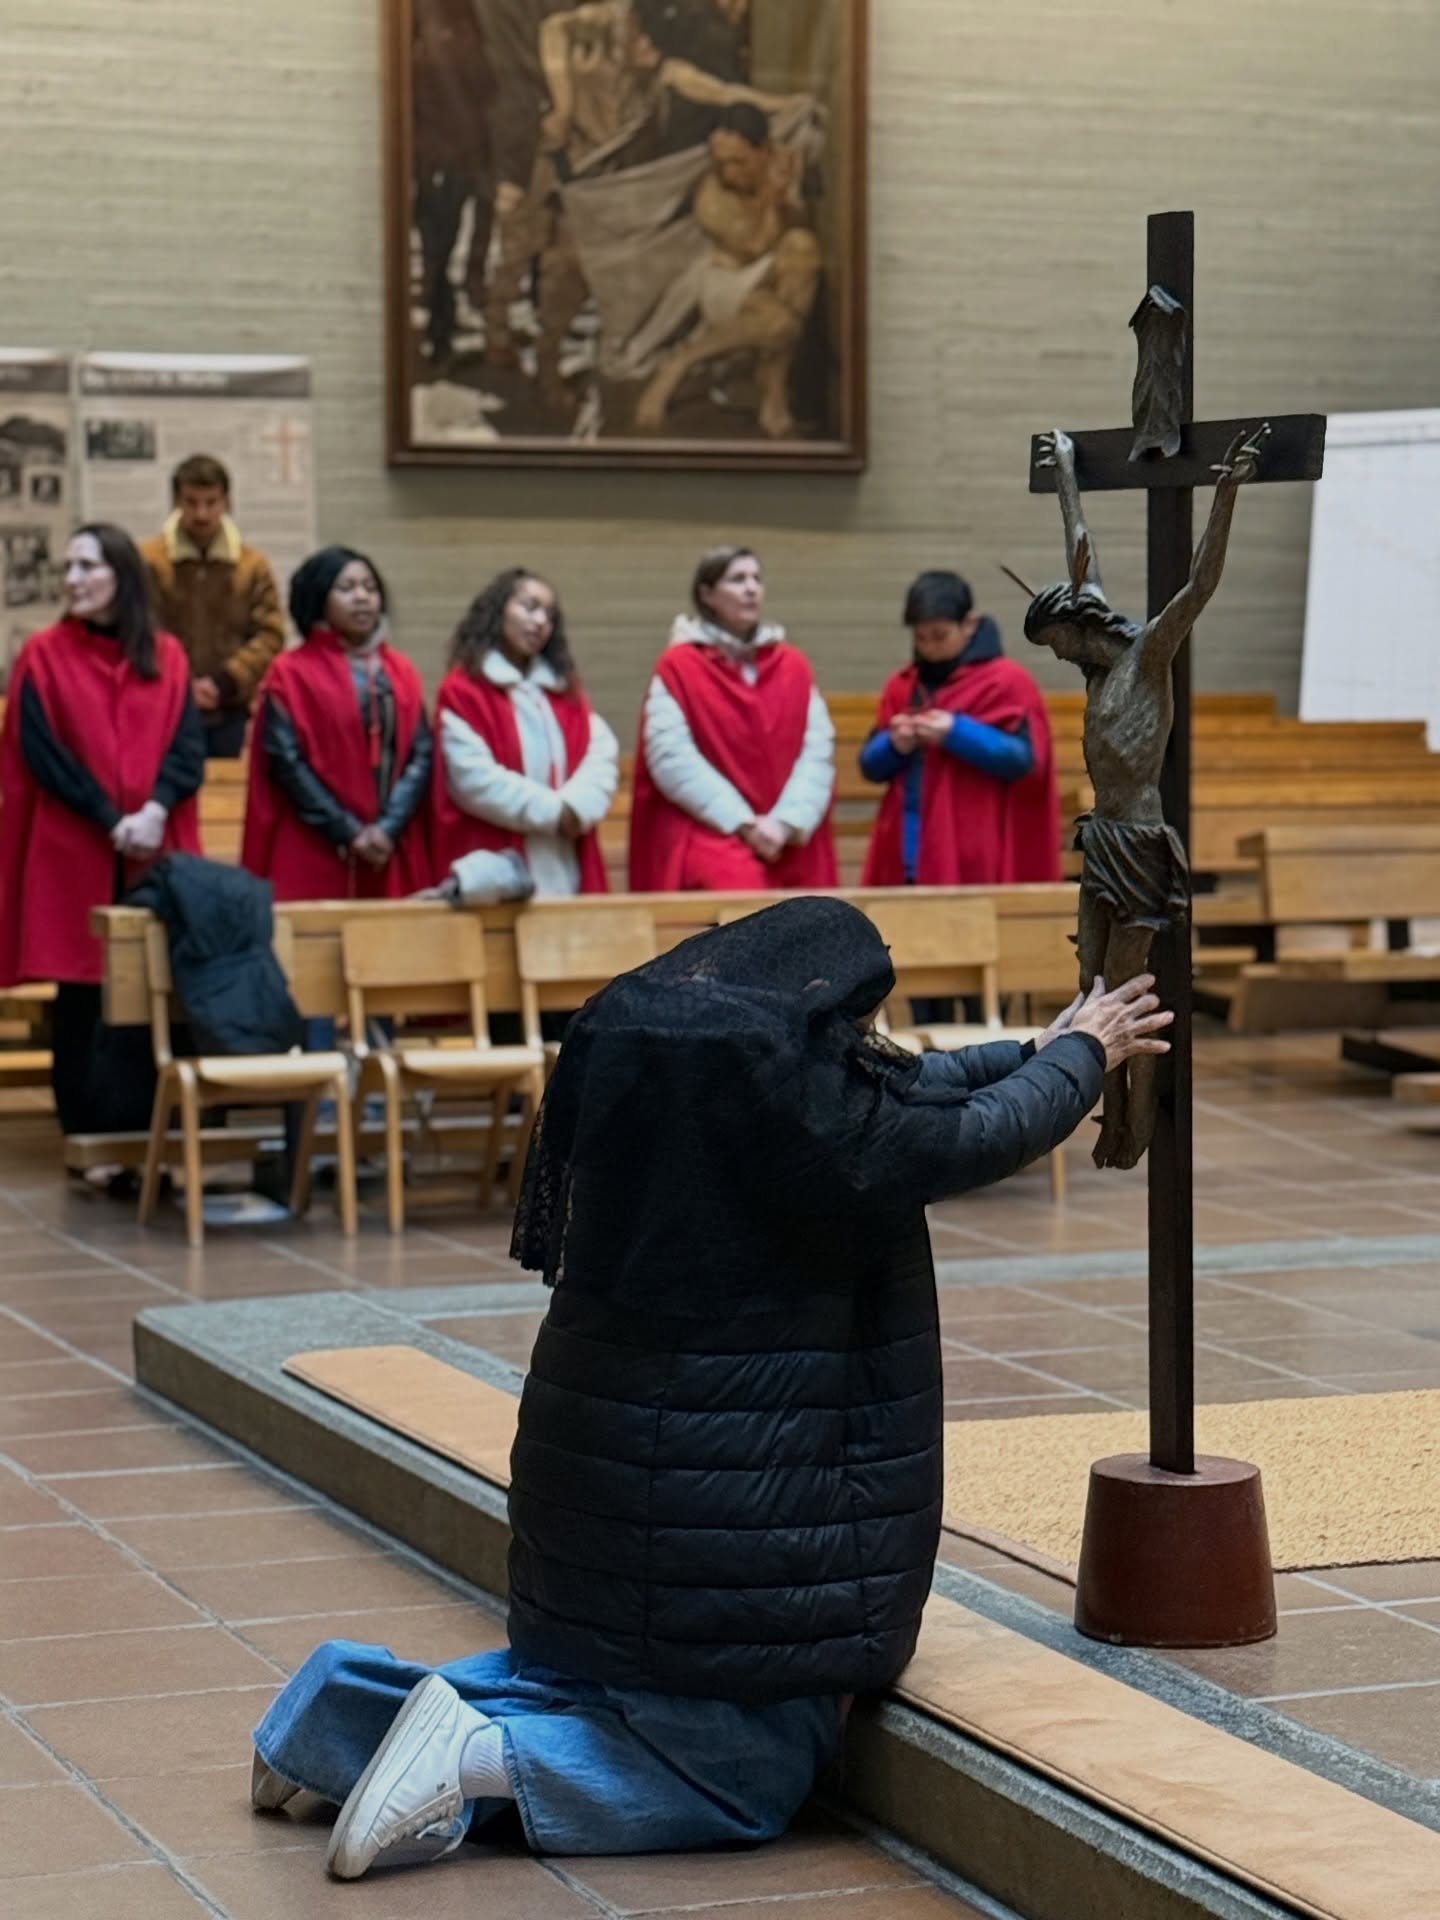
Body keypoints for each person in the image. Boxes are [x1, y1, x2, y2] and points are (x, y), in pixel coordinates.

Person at [247, 898, 1171, 1882]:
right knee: (747, 1769)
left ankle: (329, 1718)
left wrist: (1043, 1044)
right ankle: (474, 1756)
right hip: (725, 1536)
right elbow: (971, 1134)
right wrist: (1087, 1058)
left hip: (587, 1531)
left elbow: (917, 1085)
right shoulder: (819, 1128)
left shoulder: (659, 1080)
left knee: (579, 1682)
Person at [0, 525, 203, 1136]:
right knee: (82, 995)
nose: (72, 580)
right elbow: (42, 751)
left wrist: (157, 810)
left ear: (122, 575)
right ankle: (87, 1133)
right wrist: (112, 820)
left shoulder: (167, 655)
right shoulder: (44, 653)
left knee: (148, 985)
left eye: (87, 567)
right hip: (77, 846)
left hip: (151, 845)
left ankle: (143, 1126)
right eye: (69, 567)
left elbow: (186, 745)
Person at [629, 546, 836, 891]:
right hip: (714, 829)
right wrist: (743, 824)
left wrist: (785, 823)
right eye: (738, 579)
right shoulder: (677, 667)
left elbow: (818, 750)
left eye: (757, 579)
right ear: (708, 594)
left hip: (789, 833)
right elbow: (671, 757)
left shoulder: (794, 665)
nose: (752, 588)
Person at [241, 548, 432, 903]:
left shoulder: (400, 670)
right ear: (319, 598)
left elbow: (420, 755)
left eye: (370, 588)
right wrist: (349, 832)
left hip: (390, 845)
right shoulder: (291, 673)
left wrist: (388, 827)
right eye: (346, 588)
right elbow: (286, 763)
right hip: (314, 845)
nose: (362, 597)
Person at [860, 571, 1061, 888]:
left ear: (969, 624)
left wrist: (955, 732)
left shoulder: (1009, 682)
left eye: (939, 636)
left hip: (977, 850)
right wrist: (895, 744)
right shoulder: (903, 685)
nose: (929, 647)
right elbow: (870, 766)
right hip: (906, 851)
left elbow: (1026, 762)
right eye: (920, 637)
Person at [633, 102, 821, 439]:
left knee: (803, 246)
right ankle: (682, 362)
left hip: (770, 277)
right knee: (781, 323)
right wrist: (773, 200)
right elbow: (753, 246)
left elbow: (795, 230)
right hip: (727, 283)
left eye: (738, 162)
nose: (728, 173)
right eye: (720, 163)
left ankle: (770, 386)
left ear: (763, 150)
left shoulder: (786, 163)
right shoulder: (711, 196)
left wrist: (786, 202)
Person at [431, 568, 618, 897]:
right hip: (500, 860)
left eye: (549, 613)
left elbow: (600, 754)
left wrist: (576, 809)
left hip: (564, 857)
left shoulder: (563, 690)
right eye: (530, 607)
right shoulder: (465, 689)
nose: (541, 621)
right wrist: (554, 812)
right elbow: (471, 778)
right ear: (498, 611)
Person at [139, 455, 285, 759]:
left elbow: (270, 635)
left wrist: (225, 682)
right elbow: (139, 628)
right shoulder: (148, 562)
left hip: (230, 708)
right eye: (191, 502)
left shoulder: (252, 566)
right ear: (176, 502)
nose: (201, 514)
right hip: (162, 705)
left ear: (226, 503)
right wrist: (179, 682)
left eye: (211, 502)